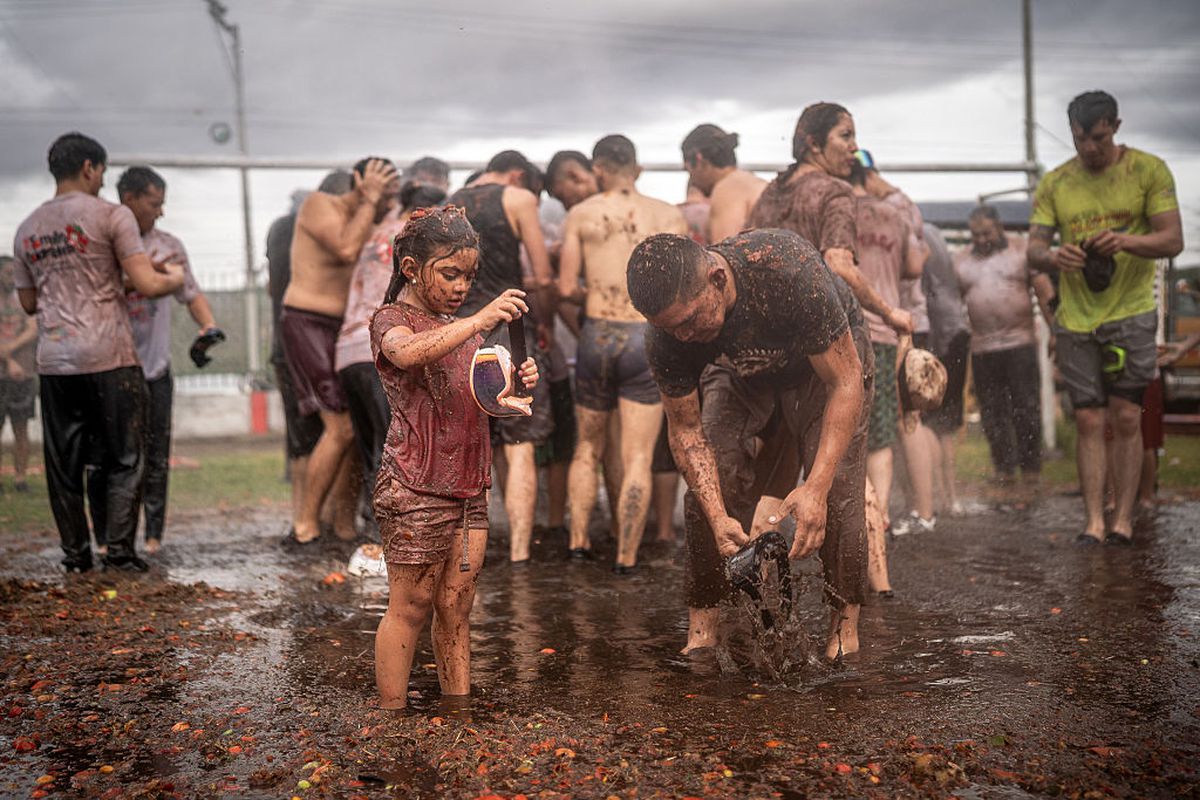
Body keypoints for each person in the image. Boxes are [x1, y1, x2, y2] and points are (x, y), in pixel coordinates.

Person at [629, 229, 872, 660]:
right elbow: (686, 432)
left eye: (688, 321)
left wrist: (814, 486)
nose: (682, 336)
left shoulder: (787, 271)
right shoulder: (667, 332)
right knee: (708, 490)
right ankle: (703, 630)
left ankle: (843, 629)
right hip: (741, 370)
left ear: (718, 279)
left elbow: (846, 381)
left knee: (838, 489)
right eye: (671, 328)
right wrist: (718, 514)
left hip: (829, 367)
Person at [371, 205, 538, 709]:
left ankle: (458, 709)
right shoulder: (391, 320)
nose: (462, 286)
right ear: (410, 269)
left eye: (469, 276)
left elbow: (482, 401)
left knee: (456, 607)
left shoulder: (462, 329)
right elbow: (407, 353)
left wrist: (514, 388)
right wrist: (480, 319)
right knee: (412, 604)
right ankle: (391, 717)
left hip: (470, 487)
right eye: (450, 274)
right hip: (414, 486)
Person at [12, 132, 185, 572]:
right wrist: (175, 279)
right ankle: (121, 554)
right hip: (110, 357)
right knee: (126, 458)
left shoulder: (27, 227)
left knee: (65, 463)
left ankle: (75, 554)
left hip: (54, 361)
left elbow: (29, 303)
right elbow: (145, 284)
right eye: (102, 173)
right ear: (89, 168)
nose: (102, 182)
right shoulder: (112, 216)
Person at [1028, 90, 1183, 545]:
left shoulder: (1147, 170)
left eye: (1097, 138)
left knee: (1127, 415)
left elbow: (1172, 239)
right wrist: (1056, 255)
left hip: (1131, 311)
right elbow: (1033, 251)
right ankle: (1094, 522)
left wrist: (1125, 241)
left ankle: (1124, 520)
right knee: (1090, 420)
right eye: (1080, 139)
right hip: (1076, 317)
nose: (1089, 149)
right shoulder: (1056, 183)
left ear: (1115, 126)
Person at [557, 134, 688, 572]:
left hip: (597, 333)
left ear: (598, 169)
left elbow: (563, 288)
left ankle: (577, 545)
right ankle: (626, 557)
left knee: (586, 448)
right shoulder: (670, 215)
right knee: (637, 456)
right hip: (643, 335)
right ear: (638, 167)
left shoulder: (581, 214)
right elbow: (685, 289)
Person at [88, 166, 221, 555]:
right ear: (128, 199)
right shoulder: (104, 238)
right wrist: (151, 275)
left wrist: (208, 326)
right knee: (108, 456)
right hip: (109, 367)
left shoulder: (169, 244)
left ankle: (153, 537)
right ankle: (105, 538)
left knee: (156, 455)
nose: (160, 212)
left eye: (163, 204)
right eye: (154, 203)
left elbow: (191, 293)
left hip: (156, 368)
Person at [281, 157, 400, 546]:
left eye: (391, 195)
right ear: (358, 182)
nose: (386, 203)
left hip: (346, 330)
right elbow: (347, 249)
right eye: (381, 191)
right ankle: (305, 526)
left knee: (354, 427)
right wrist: (369, 199)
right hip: (309, 320)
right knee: (340, 427)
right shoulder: (320, 204)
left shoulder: (374, 222)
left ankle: (344, 523)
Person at [448, 150, 555, 563]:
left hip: (458, 330)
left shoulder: (451, 203)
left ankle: (466, 550)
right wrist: (542, 323)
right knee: (520, 440)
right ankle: (520, 553)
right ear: (518, 174)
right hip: (506, 330)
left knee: (466, 442)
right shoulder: (518, 198)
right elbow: (543, 277)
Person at [749, 103, 913, 339]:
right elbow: (838, 264)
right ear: (814, 144)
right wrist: (888, 313)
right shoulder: (835, 191)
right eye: (846, 136)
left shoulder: (771, 193)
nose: (854, 148)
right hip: (815, 344)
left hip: (766, 338)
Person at [336, 182, 447, 528]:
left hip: (348, 352)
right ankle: (385, 539)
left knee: (374, 451)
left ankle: (373, 534)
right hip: (381, 349)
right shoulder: (415, 242)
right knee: (397, 452)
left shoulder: (377, 233)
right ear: (426, 214)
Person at [267, 171, 353, 523]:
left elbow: (275, 286)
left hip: (287, 341)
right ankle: (327, 521)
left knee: (303, 437)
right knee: (338, 430)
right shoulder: (327, 228)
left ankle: (303, 519)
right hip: (317, 337)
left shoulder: (281, 229)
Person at [847, 158, 915, 535]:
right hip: (886, 333)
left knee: (843, 428)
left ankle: (855, 513)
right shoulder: (894, 215)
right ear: (868, 177)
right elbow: (915, 266)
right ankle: (881, 515)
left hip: (843, 332)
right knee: (882, 431)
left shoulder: (836, 212)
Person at [955, 205, 1046, 486]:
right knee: (992, 412)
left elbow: (1043, 289)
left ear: (999, 227)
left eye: (986, 233)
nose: (981, 239)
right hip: (983, 347)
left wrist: (1054, 329)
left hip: (1020, 342)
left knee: (1026, 407)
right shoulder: (961, 261)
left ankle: (1031, 470)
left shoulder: (1021, 251)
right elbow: (954, 301)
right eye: (975, 235)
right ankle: (1003, 470)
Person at [920, 223, 971, 515]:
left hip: (939, 336)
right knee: (946, 423)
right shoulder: (934, 231)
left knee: (928, 420)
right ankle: (950, 497)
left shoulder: (916, 234)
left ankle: (939, 498)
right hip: (956, 333)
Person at [681, 123, 766, 242]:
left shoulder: (727, 190)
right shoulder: (753, 181)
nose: (692, 180)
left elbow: (726, 256)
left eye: (689, 171)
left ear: (699, 159)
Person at [0, 256, 37, 494]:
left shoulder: (24, 298)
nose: (11, 278)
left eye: (14, 273)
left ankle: (21, 478)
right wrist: (8, 360)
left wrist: (11, 351)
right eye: (7, 273)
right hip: (2, 375)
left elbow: (33, 328)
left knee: (21, 428)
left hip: (23, 374)